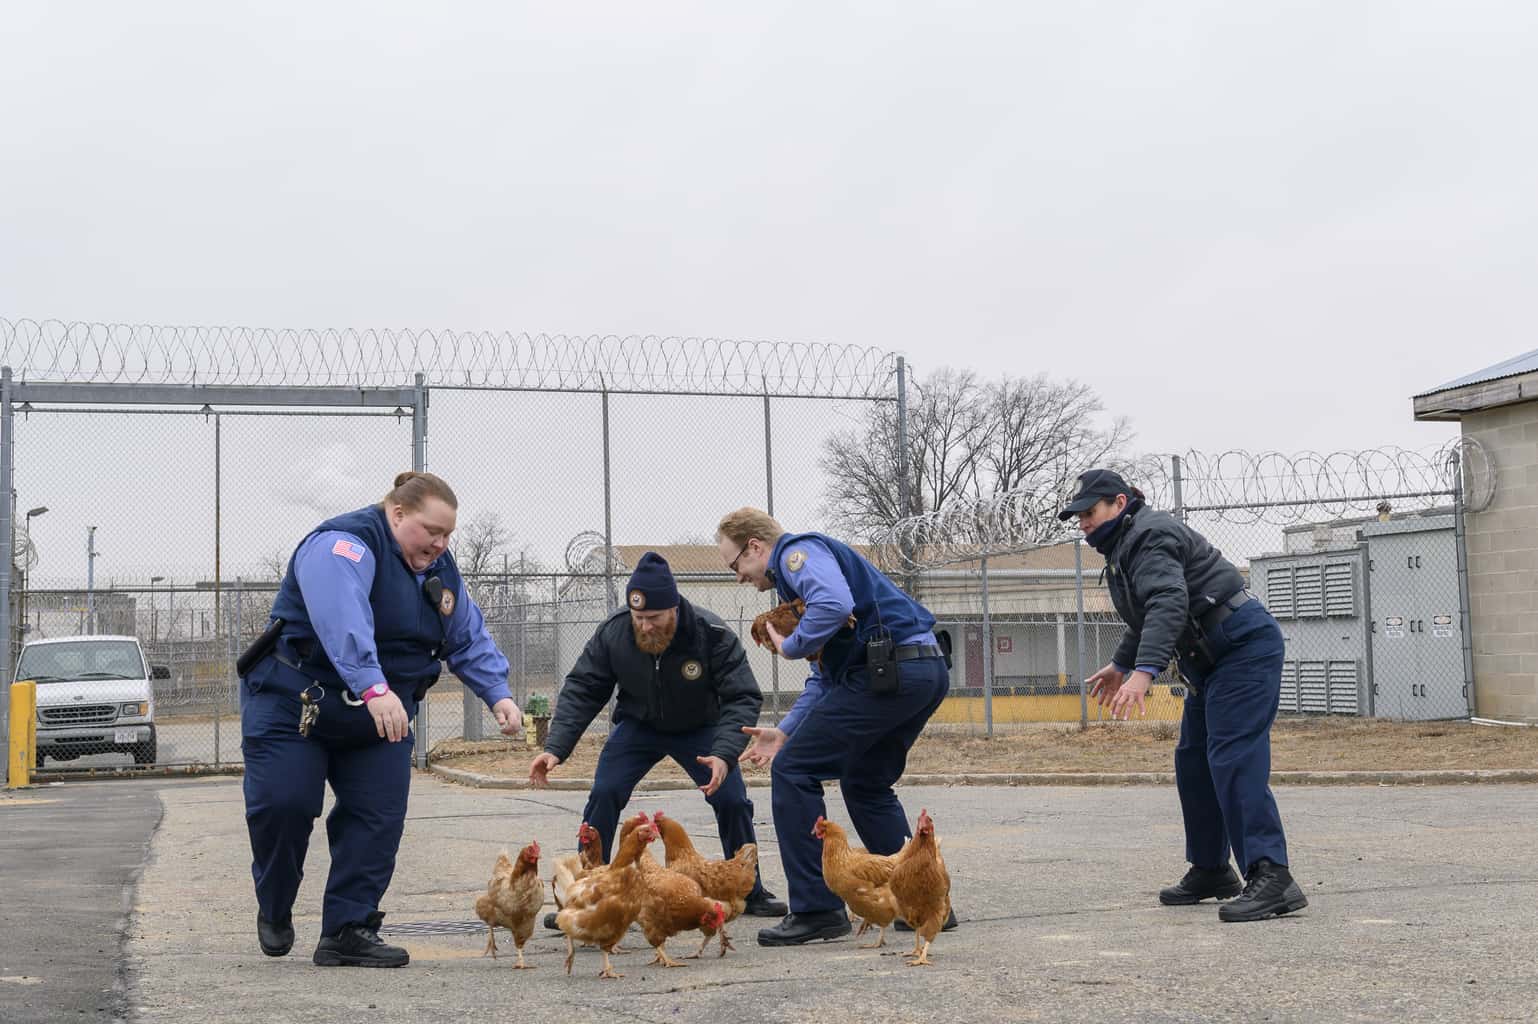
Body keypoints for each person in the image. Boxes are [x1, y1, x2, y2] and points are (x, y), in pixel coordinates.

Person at [240, 472, 523, 967]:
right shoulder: (342, 546)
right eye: (430, 530)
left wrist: (496, 693)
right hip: (296, 702)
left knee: (377, 817)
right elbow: (340, 617)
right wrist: (373, 686)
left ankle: (348, 928)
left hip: (381, 714)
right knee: (284, 805)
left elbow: (465, 634)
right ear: (396, 514)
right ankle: (276, 902)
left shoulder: (440, 572)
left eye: (448, 534)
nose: (440, 543)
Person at [1064, 468, 1309, 922]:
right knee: (1194, 760)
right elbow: (1147, 615)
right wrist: (1121, 665)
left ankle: (1272, 875)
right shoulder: (1123, 547)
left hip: (1241, 648)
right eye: (1076, 516)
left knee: (1233, 757)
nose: (1082, 522)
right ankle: (1213, 869)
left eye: (1089, 512)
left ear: (1119, 503)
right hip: (1208, 659)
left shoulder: (1150, 534)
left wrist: (1144, 672)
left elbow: (1168, 603)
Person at [717, 507, 955, 946]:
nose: (739, 577)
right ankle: (924, 903)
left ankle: (816, 910)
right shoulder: (797, 586)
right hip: (920, 671)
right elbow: (829, 677)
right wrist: (785, 729)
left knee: (793, 770)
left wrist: (792, 647)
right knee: (865, 782)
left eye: (736, 565)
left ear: (755, 547)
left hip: (890, 673)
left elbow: (835, 604)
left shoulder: (796, 554)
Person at [528, 551, 786, 925]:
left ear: (674, 609)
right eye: (639, 618)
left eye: (654, 618)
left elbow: (741, 695)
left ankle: (751, 890)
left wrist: (724, 753)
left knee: (731, 799)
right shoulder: (615, 631)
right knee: (605, 793)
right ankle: (585, 896)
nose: (646, 626)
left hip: (701, 728)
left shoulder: (711, 634)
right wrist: (555, 748)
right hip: (638, 726)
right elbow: (583, 688)